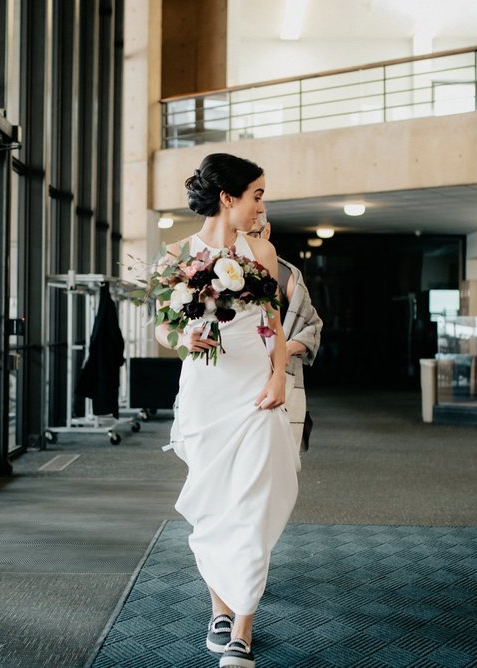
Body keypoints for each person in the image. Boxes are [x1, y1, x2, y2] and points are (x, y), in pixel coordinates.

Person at [156, 153, 298, 668]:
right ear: (228, 197)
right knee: (215, 507)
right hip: (206, 391)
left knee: (255, 504)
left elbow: (276, 327)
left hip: (256, 390)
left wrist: (280, 376)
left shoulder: (263, 252)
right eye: (257, 193)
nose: (262, 203)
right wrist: (182, 335)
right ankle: (222, 608)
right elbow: (162, 327)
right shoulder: (175, 254)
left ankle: (243, 626)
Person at [247, 217, 322, 450]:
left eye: (254, 235)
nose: (248, 244)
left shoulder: (286, 274)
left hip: (274, 372)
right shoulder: (221, 268)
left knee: (271, 448)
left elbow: (313, 326)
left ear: (266, 232)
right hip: (238, 370)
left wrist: (285, 348)